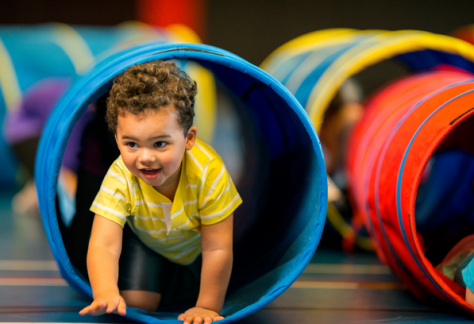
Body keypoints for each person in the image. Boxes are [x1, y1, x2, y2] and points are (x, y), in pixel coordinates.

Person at [78, 61, 242, 324]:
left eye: (160, 143)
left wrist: (208, 306)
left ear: (189, 138)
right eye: (131, 144)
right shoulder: (121, 176)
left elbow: (217, 247)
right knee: (137, 306)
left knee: (222, 287)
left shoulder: (208, 173)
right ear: (117, 138)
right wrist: (105, 290)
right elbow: (103, 243)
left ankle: (178, 281)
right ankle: (165, 281)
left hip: (197, 249)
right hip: (149, 243)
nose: (145, 158)